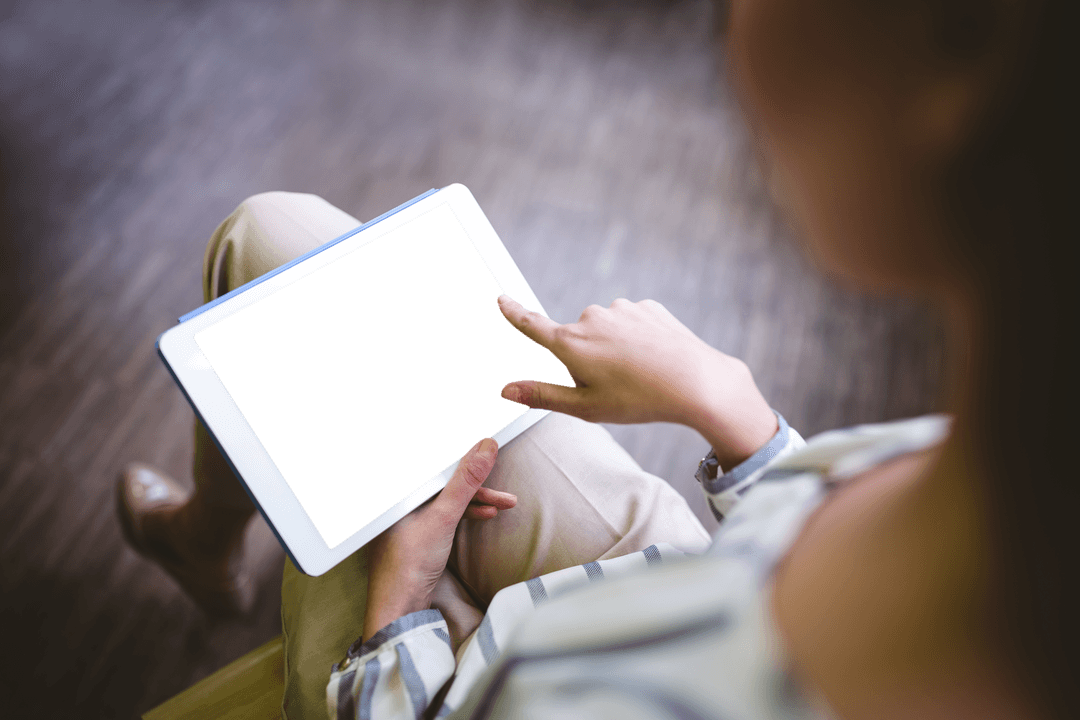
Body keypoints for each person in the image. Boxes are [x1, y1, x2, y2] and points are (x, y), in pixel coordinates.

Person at [117, 0, 1077, 718]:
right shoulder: (1013, 458)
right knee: (279, 235)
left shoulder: (605, 697)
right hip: (668, 570)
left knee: (272, 298)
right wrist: (738, 417)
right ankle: (207, 538)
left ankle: (210, 545)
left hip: (450, 681)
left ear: (969, 60)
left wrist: (399, 617)